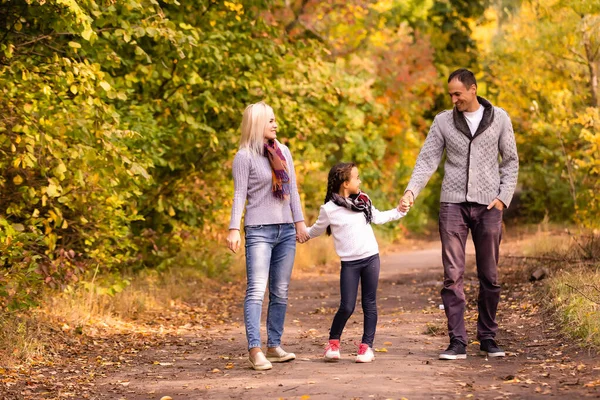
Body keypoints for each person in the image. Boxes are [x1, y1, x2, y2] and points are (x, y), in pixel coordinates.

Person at [399, 69, 519, 360]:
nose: (454, 99)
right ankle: (457, 342)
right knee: (452, 276)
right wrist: (411, 191)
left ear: (473, 89)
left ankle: (488, 337)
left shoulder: (499, 118)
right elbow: (427, 160)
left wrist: (503, 198)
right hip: (452, 206)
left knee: (489, 275)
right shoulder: (443, 121)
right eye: (450, 95)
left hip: (489, 207)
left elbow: (511, 161)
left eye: (458, 94)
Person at [227, 101, 310, 371]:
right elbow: (240, 194)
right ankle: (255, 349)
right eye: (270, 120)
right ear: (256, 124)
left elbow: (293, 191)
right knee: (256, 291)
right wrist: (233, 229)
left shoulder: (282, 151)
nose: (275, 124)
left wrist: (299, 223)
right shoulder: (244, 157)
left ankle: (274, 345)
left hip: (286, 230)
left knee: (281, 291)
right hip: (259, 231)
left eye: (275, 120)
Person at [302, 162, 406, 363]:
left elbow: (378, 217)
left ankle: (366, 347)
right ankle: (333, 343)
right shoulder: (329, 209)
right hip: (349, 264)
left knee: (370, 304)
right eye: (356, 177)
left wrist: (399, 211)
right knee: (347, 306)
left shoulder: (363, 201)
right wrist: (300, 233)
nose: (359, 181)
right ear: (345, 183)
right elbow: (316, 230)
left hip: (370, 258)